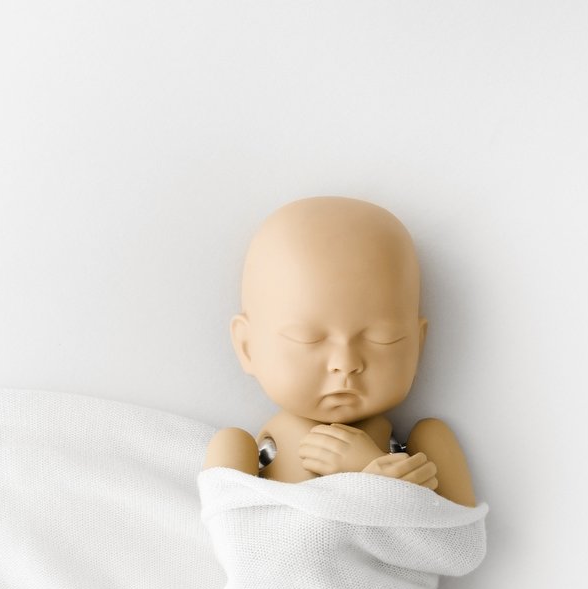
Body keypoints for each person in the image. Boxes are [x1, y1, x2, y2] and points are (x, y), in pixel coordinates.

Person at [203, 195, 477, 508]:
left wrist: (378, 479)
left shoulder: (427, 445)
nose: (345, 364)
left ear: (417, 344)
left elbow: (460, 538)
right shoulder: (239, 450)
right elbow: (239, 536)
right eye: (307, 338)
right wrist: (371, 487)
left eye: (383, 338)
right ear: (247, 346)